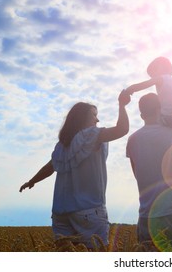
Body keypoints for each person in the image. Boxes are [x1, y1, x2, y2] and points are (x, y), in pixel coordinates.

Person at [19, 91, 131, 249]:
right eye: (94, 115)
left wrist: (32, 181)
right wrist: (122, 105)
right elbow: (122, 129)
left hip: (61, 213)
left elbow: (50, 167)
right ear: (82, 119)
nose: (97, 119)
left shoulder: (63, 145)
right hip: (89, 211)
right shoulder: (92, 135)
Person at [126, 93, 172, 250]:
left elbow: (137, 173)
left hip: (147, 215)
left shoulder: (132, 140)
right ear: (161, 109)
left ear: (142, 114)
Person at [124, 56, 172, 133]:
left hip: (171, 117)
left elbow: (143, 85)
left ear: (160, 68)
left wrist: (129, 90)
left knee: (153, 113)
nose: (152, 78)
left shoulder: (162, 78)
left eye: (152, 75)